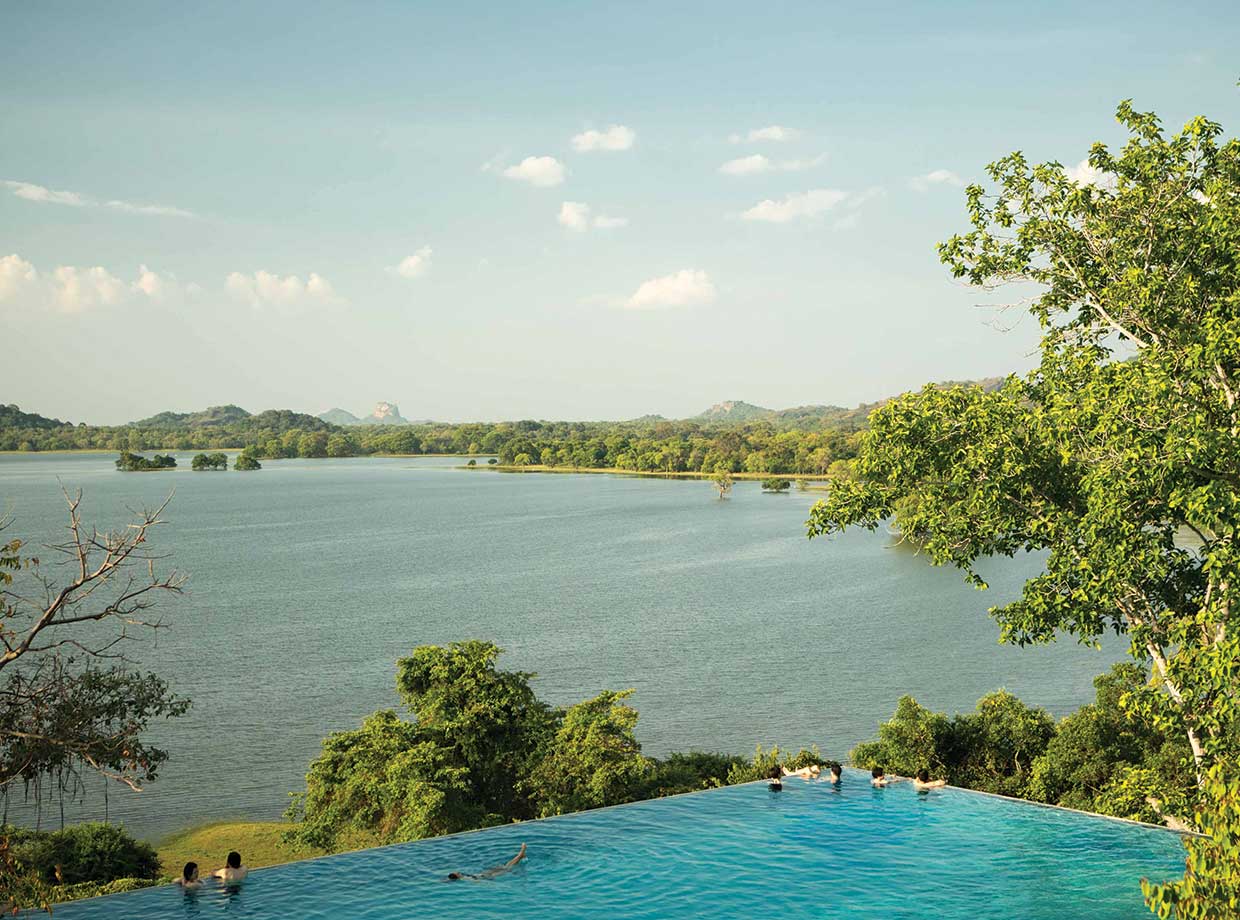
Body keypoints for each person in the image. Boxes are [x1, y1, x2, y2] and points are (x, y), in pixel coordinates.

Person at [446, 843, 527, 881]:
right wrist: (489, 880)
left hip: (485, 874)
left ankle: (520, 855)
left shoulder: (462, 877)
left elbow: (448, 879)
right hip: (486, 876)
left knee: (504, 867)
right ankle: (520, 854)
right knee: (506, 868)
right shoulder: (464, 878)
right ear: (456, 875)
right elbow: (476, 881)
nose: (457, 871)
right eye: (456, 872)